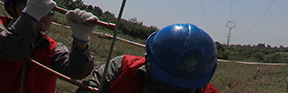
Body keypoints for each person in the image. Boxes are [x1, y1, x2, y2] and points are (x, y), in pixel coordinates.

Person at [79, 23, 220, 93]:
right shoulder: (121, 68)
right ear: (148, 61)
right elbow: (89, 88)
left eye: (181, 87)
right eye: (164, 82)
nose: (171, 88)